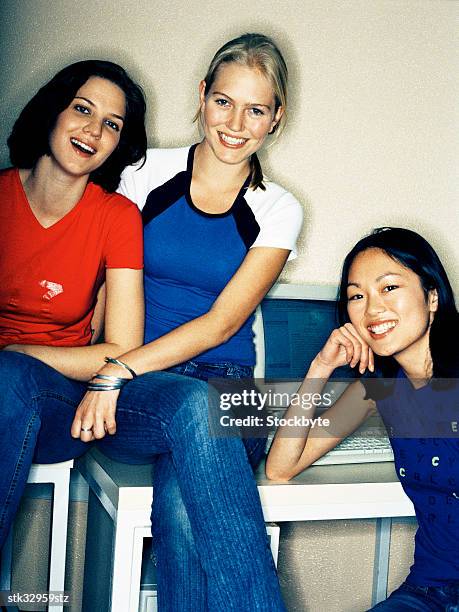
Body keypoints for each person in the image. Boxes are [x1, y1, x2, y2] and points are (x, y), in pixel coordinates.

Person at [73, 33, 303, 611]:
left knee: (181, 508)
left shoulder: (278, 208)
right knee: (193, 418)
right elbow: (102, 280)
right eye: (224, 101)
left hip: (228, 389)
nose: (236, 123)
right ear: (202, 96)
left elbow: (224, 323)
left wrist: (116, 368)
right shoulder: (147, 171)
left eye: (256, 109)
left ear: (276, 119)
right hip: (141, 389)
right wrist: (104, 367)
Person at [266, 227, 459, 611]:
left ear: (432, 296)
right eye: (357, 295)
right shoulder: (380, 388)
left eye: (389, 288)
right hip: (429, 592)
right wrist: (320, 368)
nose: (372, 309)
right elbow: (281, 467)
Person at [0, 60, 146, 549]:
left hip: (59, 400)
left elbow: (121, 349)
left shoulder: (116, 217)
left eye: (112, 123)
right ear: (52, 112)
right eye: (82, 109)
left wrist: (17, 355)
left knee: (11, 378)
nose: (93, 130)